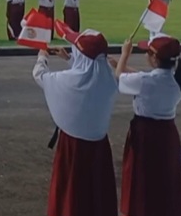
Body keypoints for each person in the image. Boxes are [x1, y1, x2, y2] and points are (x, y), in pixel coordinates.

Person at [33, 28, 118, 216]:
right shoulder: (109, 81)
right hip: (99, 146)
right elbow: (89, 70)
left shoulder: (65, 80)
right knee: (96, 195)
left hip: (72, 146)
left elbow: (40, 75)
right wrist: (70, 59)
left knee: (71, 193)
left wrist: (42, 55)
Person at [112, 34, 181, 216]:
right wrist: (120, 66)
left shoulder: (145, 81)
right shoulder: (177, 80)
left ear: (154, 58)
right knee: (166, 178)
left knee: (143, 179)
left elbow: (120, 79)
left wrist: (124, 55)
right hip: (167, 133)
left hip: (146, 133)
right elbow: (145, 78)